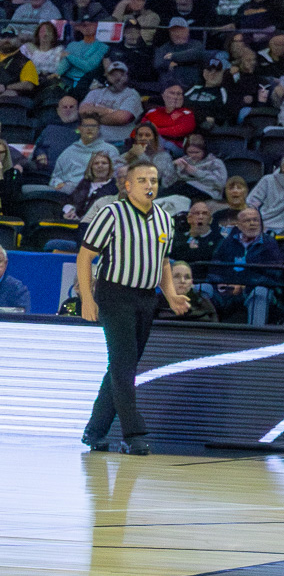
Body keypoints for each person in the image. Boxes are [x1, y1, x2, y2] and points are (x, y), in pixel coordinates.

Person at [75, 162, 186, 454]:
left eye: (154, 179)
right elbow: (85, 256)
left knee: (123, 365)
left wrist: (171, 295)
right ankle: (132, 434)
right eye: (142, 180)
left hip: (146, 297)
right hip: (115, 294)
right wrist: (88, 297)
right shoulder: (111, 214)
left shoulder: (165, 219)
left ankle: (94, 431)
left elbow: (163, 262)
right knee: (124, 365)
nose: (149, 185)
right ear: (128, 185)